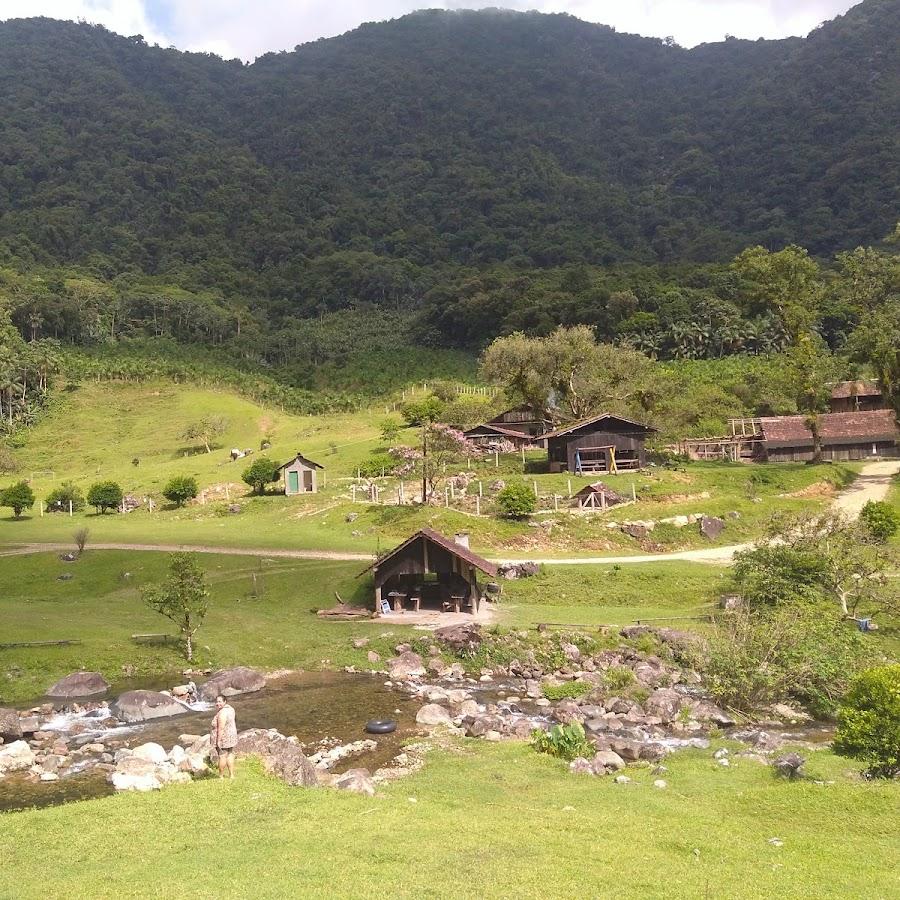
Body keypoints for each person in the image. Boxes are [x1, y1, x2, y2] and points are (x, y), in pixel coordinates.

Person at [211, 694, 238, 779]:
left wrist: (218, 741)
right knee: (230, 754)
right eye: (217, 701)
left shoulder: (222, 713)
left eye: (220, 701)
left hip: (224, 738)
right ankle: (231, 775)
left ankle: (221, 776)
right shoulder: (231, 709)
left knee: (222, 756)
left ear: (225, 701)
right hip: (232, 736)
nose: (217, 703)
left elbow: (221, 728)